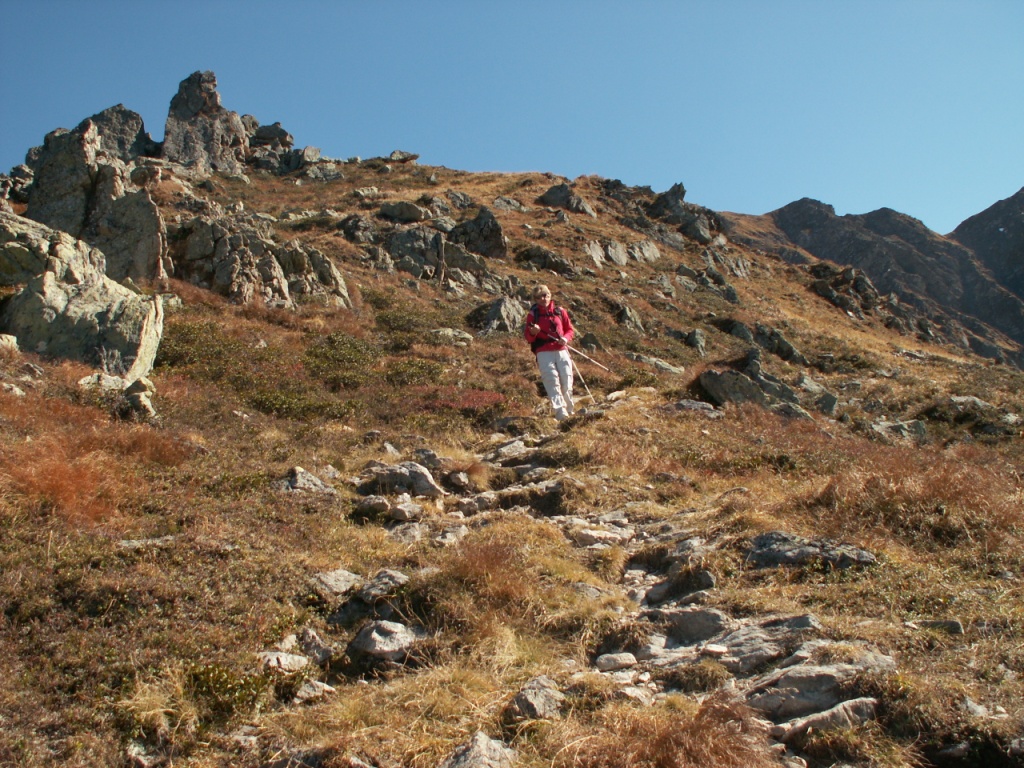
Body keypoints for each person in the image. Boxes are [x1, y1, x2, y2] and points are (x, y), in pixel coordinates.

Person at [524, 284, 575, 421]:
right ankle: (560, 412)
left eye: (545, 295)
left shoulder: (560, 311)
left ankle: (570, 409)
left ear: (550, 295)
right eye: (539, 297)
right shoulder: (533, 315)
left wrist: (565, 338)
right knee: (551, 380)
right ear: (535, 299)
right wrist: (533, 332)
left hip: (561, 349)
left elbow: (569, 330)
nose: (543, 298)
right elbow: (528, 337)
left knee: (566, 378)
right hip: (543, 352)